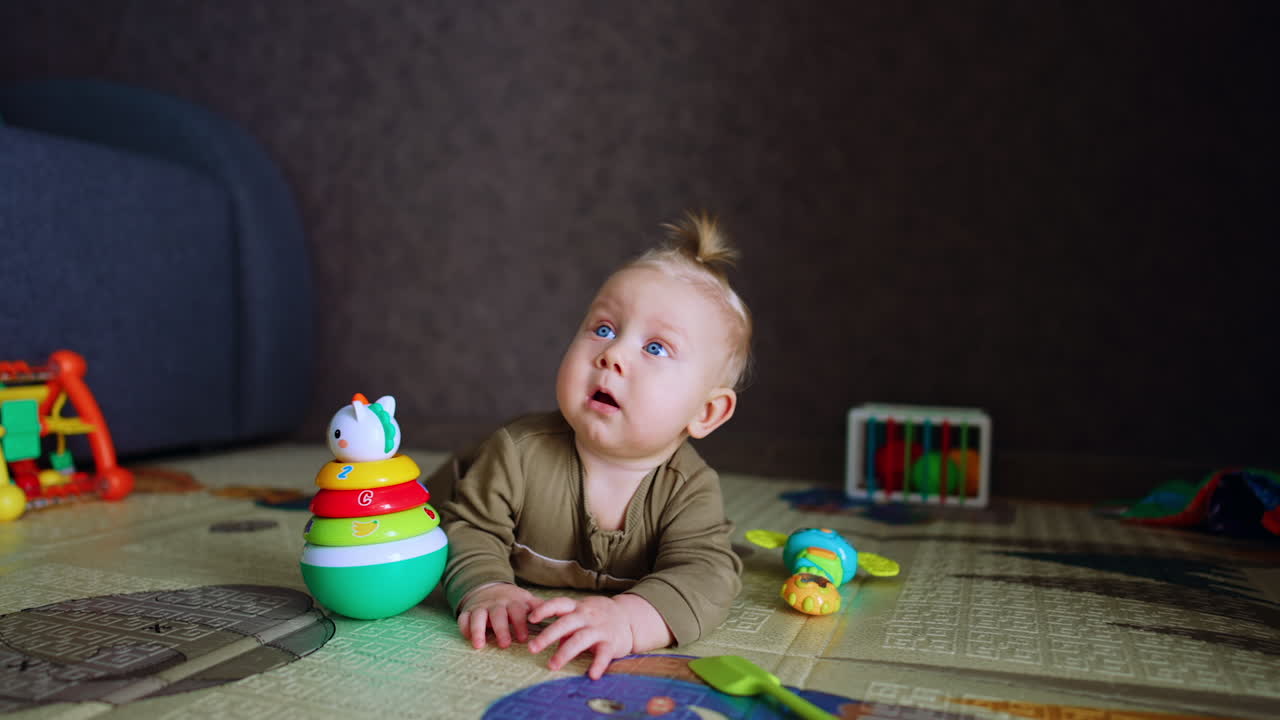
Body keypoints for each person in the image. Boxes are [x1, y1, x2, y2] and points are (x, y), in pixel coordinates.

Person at [436, 211, 752, 680]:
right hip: (447, 490)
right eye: (604, 329)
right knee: (403, 523)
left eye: (656, 348)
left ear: (705, 412)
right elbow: (469, 529)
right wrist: (487, 588)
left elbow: (706, 574)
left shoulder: (689, 489)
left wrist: (630, 618)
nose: (613, 353)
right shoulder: (517, 452)